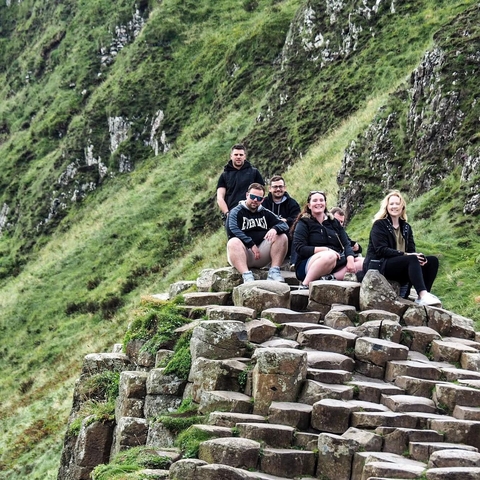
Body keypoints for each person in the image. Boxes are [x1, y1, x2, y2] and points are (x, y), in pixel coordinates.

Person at [363, 190, 440, 306]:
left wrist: (419, 259)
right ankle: (423, 294)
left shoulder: (406, 227)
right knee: (412, 258)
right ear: (387, 207)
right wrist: (408, 256)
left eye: (397, 203)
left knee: (432, 260)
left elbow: (411, 250)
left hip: (401, 264)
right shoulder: (379, 225)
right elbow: (381, 250)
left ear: (402, 206)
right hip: (381, 264)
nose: (394, 206)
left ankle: (423, 296)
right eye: (391, 204)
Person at [292, 191, 364, 288]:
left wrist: (350, 259)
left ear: (325, 204)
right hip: (308, 264)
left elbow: (346, 243)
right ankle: (305, 284)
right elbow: (300, 248)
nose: (318, 203)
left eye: (321, 200)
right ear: (309, 205)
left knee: (362, 262)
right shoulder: (303, 223)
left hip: (336, 262)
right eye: (315, 200)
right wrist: (325, 250)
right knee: (329, 256)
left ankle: (330, 278)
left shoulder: (334, 222)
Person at [227, 183, 289, 283]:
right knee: (233, 242)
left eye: (258, 198)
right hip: (242, 254)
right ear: (247, 195)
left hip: (260, 254)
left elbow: (284, 225)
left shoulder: (265, 212)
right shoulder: (235, 212)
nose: (255, 200)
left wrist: (274, 229)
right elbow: (232, 229)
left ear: (262, 200)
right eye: (252, 196)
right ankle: (247, 276)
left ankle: (274, 272)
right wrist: (251, 244)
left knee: (282, 237)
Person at [216, 144, 264, 223]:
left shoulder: (254, 172)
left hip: (253, 214)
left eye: (241, 155)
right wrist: (227, 214)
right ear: (231, 156)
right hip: (233, 215)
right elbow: (220, 198)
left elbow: (261, 194)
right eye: (236, 154)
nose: (238, 157)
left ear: (244, 157)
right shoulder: (224, 175)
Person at [262, 175, 301, 263]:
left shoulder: (292, 203)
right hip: (267, 236)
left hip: (287, 235)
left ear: (285, 188)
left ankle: (294, 262)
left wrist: (286, 221)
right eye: (275, 187)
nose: (278, 189)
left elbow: (297, 219)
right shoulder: (263, 203)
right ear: (270, 189)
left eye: (280, 186)